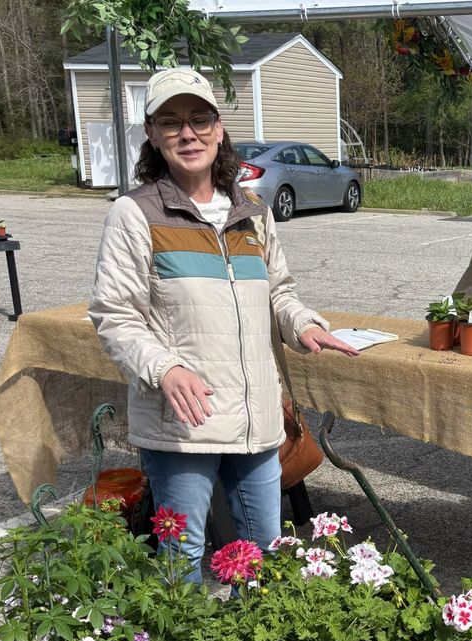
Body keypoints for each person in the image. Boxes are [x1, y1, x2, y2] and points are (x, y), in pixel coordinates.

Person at [88, 69, 357, 582]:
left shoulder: (252, 211)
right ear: (152, 133)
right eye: (171, 122)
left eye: (199, 119)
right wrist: (164, 368)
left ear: (218, 127)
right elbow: (114, 315)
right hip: (184, 421)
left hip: (256, 416)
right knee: (182, 556)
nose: (187, 134)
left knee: (264, 551)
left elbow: (278, 289)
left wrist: (302, 324)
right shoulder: (135, 213)